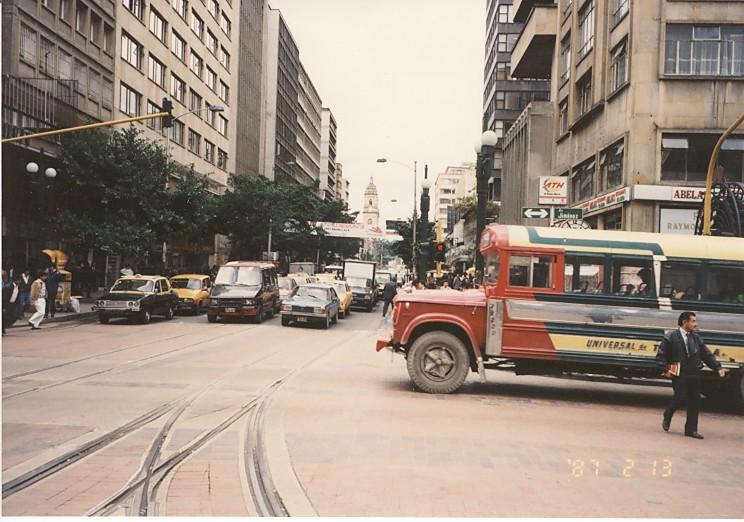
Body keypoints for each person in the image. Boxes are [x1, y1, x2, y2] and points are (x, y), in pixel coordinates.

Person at [656, 311, 725, 439]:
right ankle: (668, 413)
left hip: (694, 373)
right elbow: (662, 355)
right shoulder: (671, 337)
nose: (695, 324)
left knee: (695, 401)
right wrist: (665, 370)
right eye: (693, 321)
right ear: (684, 322)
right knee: (680, 397)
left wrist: (717, 367)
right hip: (679, 373)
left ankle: (691, 430)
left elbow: (706, 354)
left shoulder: (696, 338)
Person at [2, 270, 20, 335]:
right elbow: (5, 297)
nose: (20, 282)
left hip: (13, 304)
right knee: (4, 317)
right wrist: (3, 307)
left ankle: (4, 327)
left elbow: (17, 296)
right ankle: (2, 329)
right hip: (7, 304)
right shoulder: (9, 287)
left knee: (13, 317)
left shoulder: (18, 287)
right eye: (19, 280)